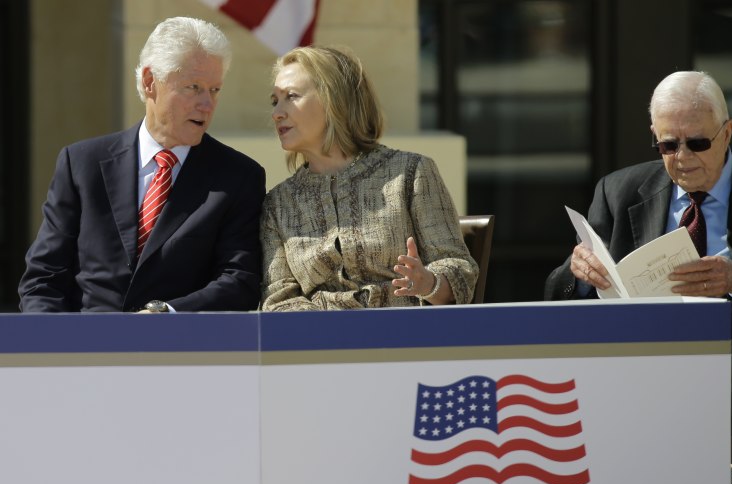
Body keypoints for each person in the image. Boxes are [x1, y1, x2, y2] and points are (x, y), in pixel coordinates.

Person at [544, 71, 732, 425]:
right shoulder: (618, 191)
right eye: (669, 145)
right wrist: (578, 271)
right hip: (635, 354)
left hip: (731, 360)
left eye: (698, 143)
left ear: (728, 133)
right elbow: (556, 297)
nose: (683, 157)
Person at [18, 17, 266, 312]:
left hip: (181, 349)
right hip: (84, 349)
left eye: (214, 90)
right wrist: (55, 347)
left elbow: (239, 281)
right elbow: (43, 276)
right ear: (150, 83)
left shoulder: (239, 177)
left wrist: (166, 315)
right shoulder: (82, 163)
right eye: (194, 87)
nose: (207, 104)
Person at [261, 46, 478, 311]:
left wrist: (428, 282)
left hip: (407, 341)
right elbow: (278, 298)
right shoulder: (278, 204)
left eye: (291, 96)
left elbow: (460, 271)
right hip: (321, 346)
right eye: (275, 101)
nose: (277, 113)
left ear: (334, 99)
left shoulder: (411, 172)